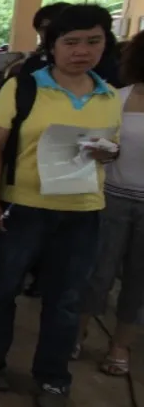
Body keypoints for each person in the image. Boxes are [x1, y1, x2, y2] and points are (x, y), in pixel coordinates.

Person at [0, 4, 123, 407]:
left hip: (83, 209)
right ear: (52, 46)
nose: (81, 51)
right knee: (3, 285)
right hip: (24, 207)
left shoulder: (109, 96)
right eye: (71, 42)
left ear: (105, 45)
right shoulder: (24, 88)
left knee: (66, 297)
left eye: (93, 41)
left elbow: (111, 148)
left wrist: (109, 153)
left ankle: (53, 376)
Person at [77, 30, 144, 375]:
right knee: (96, 272)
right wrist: (103, 150)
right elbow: (91, 146)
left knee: (139, 280)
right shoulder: (116, 98)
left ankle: (120, 346)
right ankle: (77, 331)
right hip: (112, 198)